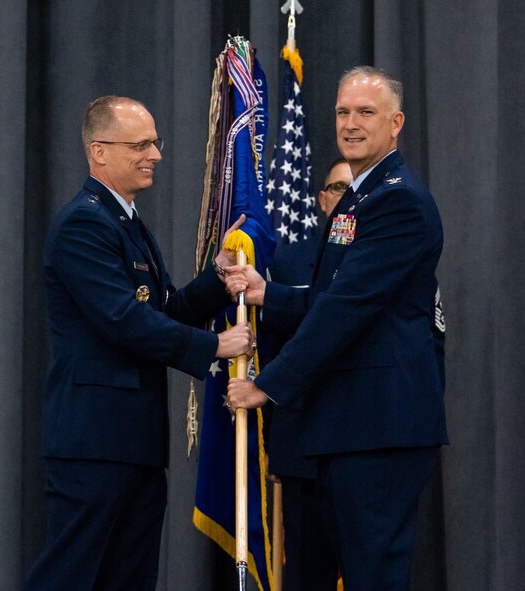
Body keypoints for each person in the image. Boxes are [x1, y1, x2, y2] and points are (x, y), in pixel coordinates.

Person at [225, 67, 447, 590]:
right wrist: (267, 293)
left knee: (373, 576)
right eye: (343, 112)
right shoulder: (357, 196)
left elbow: (348, 306)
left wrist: (268, 384)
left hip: (380, 424)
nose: (350, 124)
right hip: (351, 423)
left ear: (396, 123)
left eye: (365, 113)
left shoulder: (398, 200)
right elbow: (333, 296)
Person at [23, 95, 253, 591]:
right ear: (100, 151)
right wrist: (215, 348)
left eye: (156, 142)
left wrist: (217, 278)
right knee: (70, 577)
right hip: (93, 443)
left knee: (128, 580)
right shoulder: (83, 224)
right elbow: (122, 320)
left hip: (136, 444)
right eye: (142, 144)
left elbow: (163, 309)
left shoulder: (127, 222)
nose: (156, 154)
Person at [264, 157, 352, 590]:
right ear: (321, 200)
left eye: (356, 190)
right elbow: (276, 350)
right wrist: (275, 443)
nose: (347, 199)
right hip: (303, 447)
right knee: (304, 573)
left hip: (365, 442)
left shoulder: (392, 248)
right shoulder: (288, 261)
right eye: (338, 189)